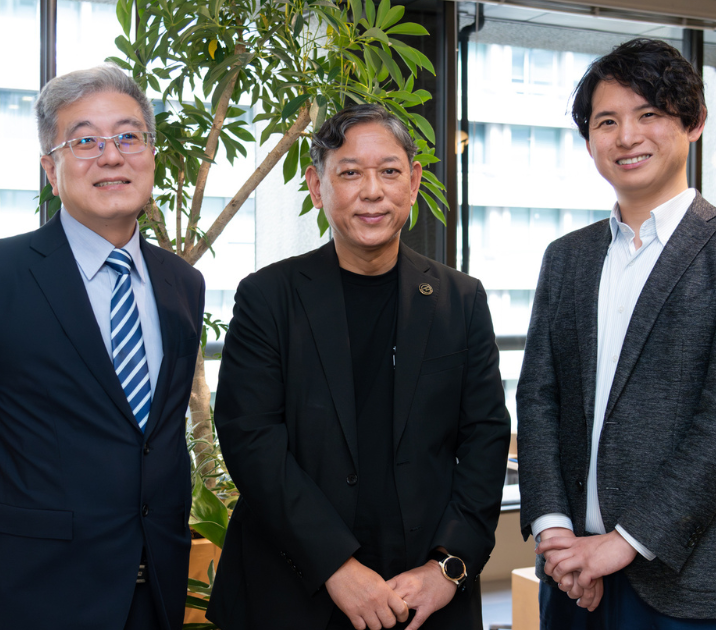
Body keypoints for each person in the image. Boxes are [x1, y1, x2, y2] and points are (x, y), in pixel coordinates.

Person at [0, 64, 204, 630]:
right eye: (85, 141)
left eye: (128, 137)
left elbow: (157, 444)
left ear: (151, 153)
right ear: (51, 168)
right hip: (28, 597)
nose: (111, 156)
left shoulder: (182, 284)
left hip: (155, 595)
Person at [517, 38, 716, 629]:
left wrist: (622, 543)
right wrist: (554, 532)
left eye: (649, 114)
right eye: (606, 121)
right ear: (588, 139)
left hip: (688, 582)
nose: (626, 136)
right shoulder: (567, 257)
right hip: (570, 575)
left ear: (694, 123)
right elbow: (538, 399)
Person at [207, 104, 511, 630]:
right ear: (316, 186)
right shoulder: (267, 297)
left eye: (389, 171)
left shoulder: (460, 299)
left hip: (424, 590)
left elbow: (485, 437)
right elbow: (249, 438)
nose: (372, 191)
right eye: (350, 173)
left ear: (413, 183)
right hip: (294, 589)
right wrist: (334, 564)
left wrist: (448, 565)